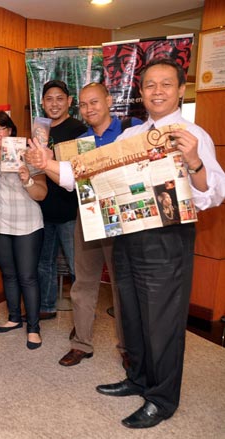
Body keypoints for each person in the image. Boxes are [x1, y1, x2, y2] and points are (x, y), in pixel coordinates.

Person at [95, 58, 225, 428]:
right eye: (149, 85)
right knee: (133, 316)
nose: (156, 91)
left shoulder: (192, 134)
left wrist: (194, 161)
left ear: (181, 90)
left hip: (167, 240)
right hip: (128, 236)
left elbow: (213, 195)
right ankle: (137, 379)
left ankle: (162, 399)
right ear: (140, 93)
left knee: (162, 322)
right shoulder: (129, 137)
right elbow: (95, 172)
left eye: (165, 84)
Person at [27, 82, 142, 367]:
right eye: (85, 104)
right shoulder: (80, 143)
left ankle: (129, 347)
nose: (89, 109)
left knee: (122, 284)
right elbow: (67, 182)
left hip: (123, 217)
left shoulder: (132, 130)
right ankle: (81, 343)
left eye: (95, 102)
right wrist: (47, 164)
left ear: (108, 101)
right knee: (84, 282)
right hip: (88, 215)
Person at [0, 111, 47, 349]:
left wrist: (27, 178)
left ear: (10, 130)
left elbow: (42, 193)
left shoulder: (29, 155)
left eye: (0, 129)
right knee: (8, 274)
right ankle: (14, 318)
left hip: (26, 223)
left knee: (27, 277)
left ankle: (34, 328)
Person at [36, 80, 87, 319]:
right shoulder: (40, 129)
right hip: (43, 209)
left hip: (71, 211)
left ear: (69, 101)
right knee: (44, 262)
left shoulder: (78, 129)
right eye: (49, 99)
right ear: (42, 103)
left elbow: (80, 169)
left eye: (59, 98)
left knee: (78, 266)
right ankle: (47, 306)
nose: (54, 103)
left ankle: (82, 317)